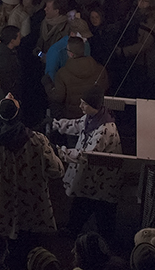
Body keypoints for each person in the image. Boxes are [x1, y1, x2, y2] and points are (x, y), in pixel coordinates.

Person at [0, 95, 64, 240]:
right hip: (34, 212)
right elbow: (57, 170)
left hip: (4, 215)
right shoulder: (38, 140)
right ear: (18, 114)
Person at [50, 89, 122, 240]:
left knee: (102, 211)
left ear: (93, 106)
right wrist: (55, 124)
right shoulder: (94, 117)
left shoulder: (104, 129)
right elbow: (76, 125)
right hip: (93, 180)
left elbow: (85, 155)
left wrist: (59, 152)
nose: (80, 106)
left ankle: (107, 242)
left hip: (102, 182)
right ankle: (73, 230)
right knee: (84, 203)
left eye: (84, 103)